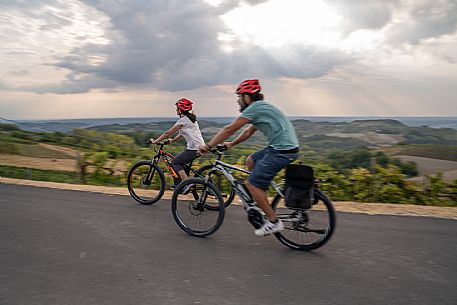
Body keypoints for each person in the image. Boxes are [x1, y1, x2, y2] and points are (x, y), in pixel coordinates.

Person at [198, 79, 299, 236]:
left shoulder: (255, 108)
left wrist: (208, 146)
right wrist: (231, 144)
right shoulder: (261, 108)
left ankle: (273, 221)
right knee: (251, 161)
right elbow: (248, 131)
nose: (238, 101)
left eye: (239, 97)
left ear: (247, 97)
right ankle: (258, 197)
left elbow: (230, 128)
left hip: (282, 151)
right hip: (282, 147)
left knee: (252, 184)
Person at [148, 98, 205, 183]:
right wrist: (172, 140)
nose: (176, 110)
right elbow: (183, 134)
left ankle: (187, 183)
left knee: (175, 162)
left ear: (180, 110)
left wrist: (155, 141)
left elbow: (168, 133)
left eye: (177, 108)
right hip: (199, 147)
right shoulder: (190, 119)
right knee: (180, 161)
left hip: (194, 149)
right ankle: (183, 183)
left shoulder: (183, 121)